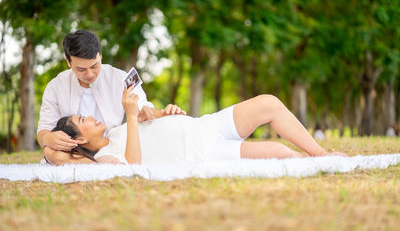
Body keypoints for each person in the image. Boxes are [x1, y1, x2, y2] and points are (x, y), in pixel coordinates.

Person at [44, 86, 347, 165]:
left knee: (268, 102)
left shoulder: (116, 131)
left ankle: (320, 155)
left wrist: (165, 112)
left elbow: (155, 125)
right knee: (279, 152)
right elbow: (133, 166)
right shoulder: (104, 158)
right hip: (203, 150)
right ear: (79, 139)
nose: (93, 117)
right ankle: (313, 163)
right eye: (84, 120)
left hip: (203, 125)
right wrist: (133, 117)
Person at [37, 30, 184, 163]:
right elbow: (44, 129)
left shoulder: (120, 79)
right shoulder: (55, 86)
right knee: (50, 153)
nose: (89, 74)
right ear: (68, 62)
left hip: (116, 145)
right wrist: (47, 138)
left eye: (94, 66)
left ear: (100, 56)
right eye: (81, 69)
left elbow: (144, 110)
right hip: (81, 150)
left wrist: (156, 112)